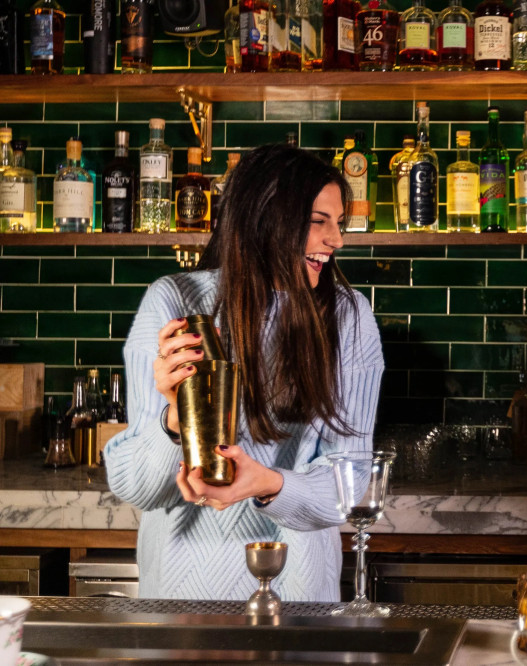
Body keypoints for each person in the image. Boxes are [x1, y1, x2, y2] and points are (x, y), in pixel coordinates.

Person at [104, 144, 383, 601]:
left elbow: (349, 483)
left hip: (299, 600)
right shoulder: (174, 302)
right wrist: (175, 419)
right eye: (319, 222)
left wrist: (272, 484)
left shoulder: (348, 317)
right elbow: (137, 488)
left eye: (339, 223)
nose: (337, 240)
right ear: (265, 218)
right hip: (182, 601)